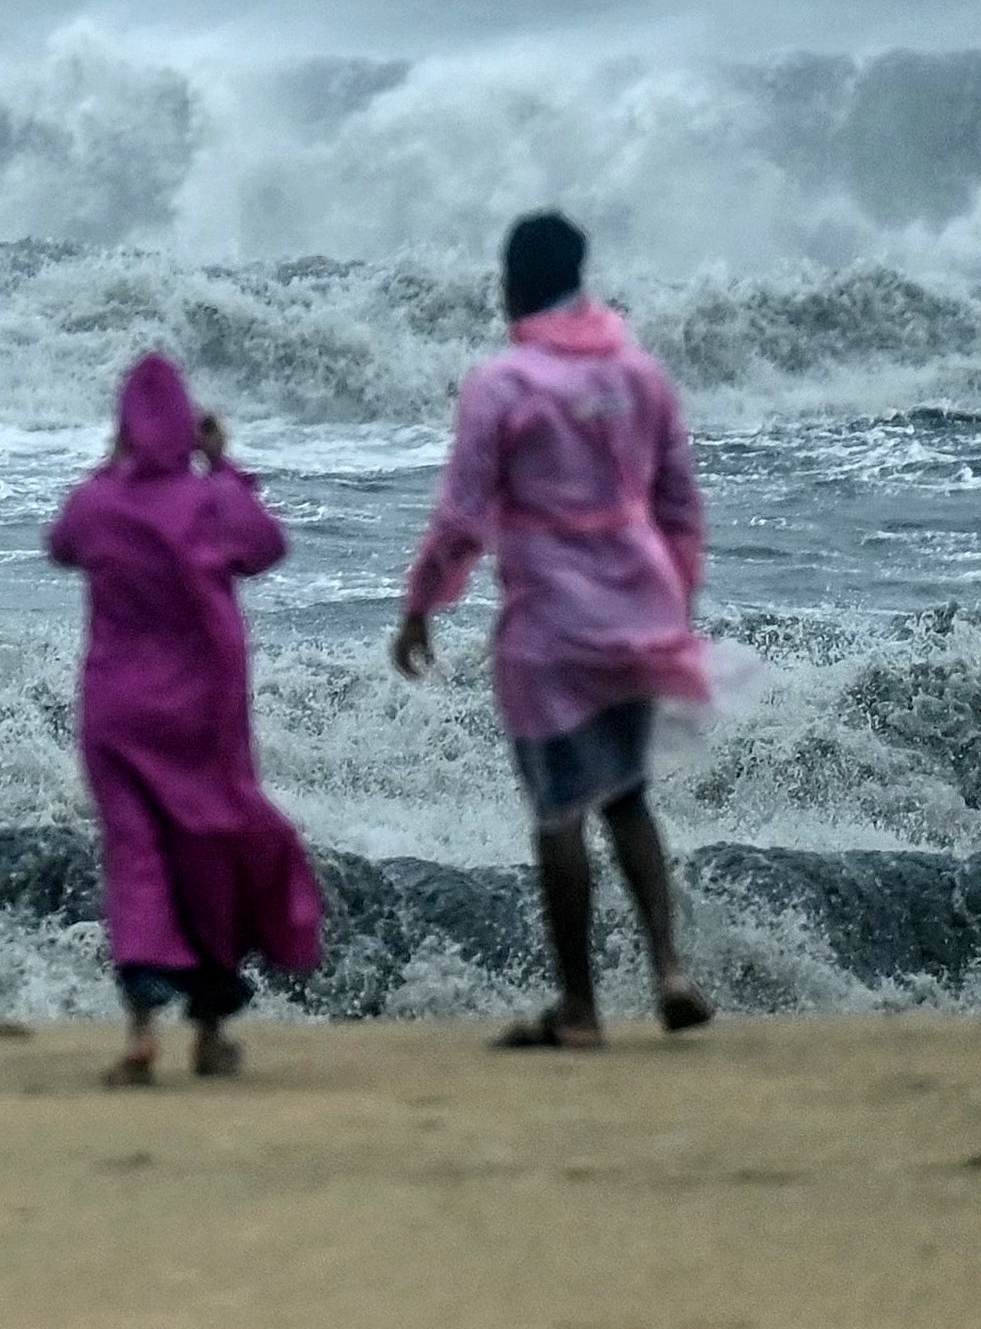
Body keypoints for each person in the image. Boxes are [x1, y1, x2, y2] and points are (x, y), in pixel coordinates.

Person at [393, 210, 717, 1049]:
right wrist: (673, 606)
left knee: (560, 811)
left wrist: (422, 604)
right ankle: (670, 971)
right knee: (629, 798)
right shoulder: (640, 375)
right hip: (639, 611)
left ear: (510, 285)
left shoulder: (503, 384)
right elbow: (679, 504)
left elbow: (462, 517)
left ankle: (578, 1010)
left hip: (550, 627)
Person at [47, 353, 324, 1085]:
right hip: (202, 715)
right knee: (208, 857)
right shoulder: (211, 503)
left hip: (116, 712)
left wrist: (115, 467)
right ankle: (207, 1032)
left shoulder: (98, 504)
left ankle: (141, 1027)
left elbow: (61, 545)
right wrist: (222, 463)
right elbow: (266, 547)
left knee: (135, 856)